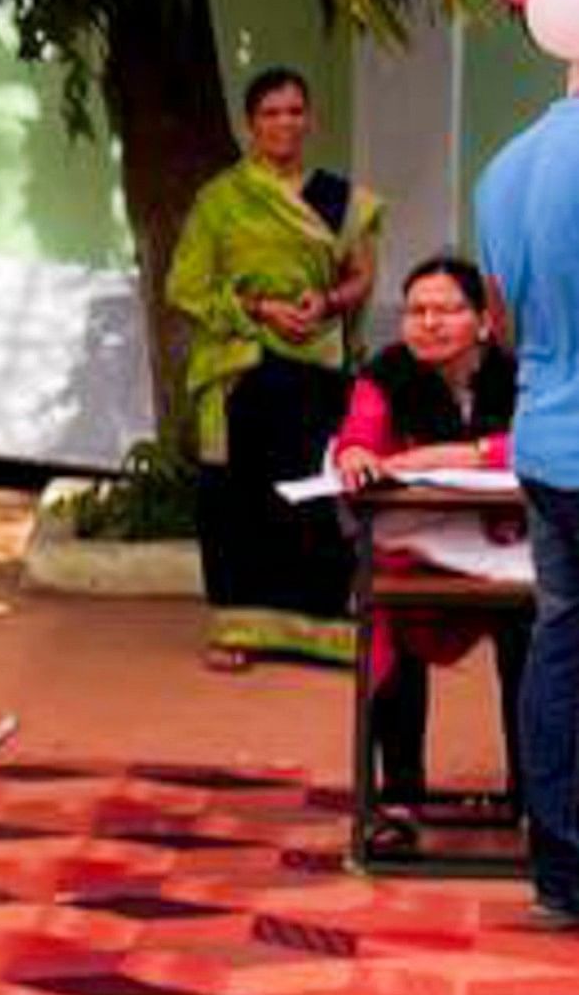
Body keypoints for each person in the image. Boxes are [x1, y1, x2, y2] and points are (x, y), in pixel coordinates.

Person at [167, 66, 381, 671]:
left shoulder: (339, 198)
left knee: (313, 495)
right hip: (241, 365)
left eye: (295, 111)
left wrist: (329, 302)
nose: (284, 122)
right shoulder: (220, 200)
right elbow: (185, 286)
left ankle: (322, 630)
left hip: (316, 363)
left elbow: (360, 273)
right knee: (236, 499)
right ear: (250, 124)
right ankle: (236, 628)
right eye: (271, 113)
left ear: (310, 119)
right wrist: (259, 308)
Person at [329, 256, 526, 854]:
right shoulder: (383, 374)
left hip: (506, 552)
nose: (429, 323)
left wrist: (449, 457)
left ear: (484, 322)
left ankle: (535, 797)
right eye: (417, 310)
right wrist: (356, 456)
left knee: (536, 637)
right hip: (416, 551)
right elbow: (359, 437)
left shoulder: (520, 374)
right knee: (391, 620)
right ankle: (398, 799)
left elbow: (538, 444)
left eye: (447, 309)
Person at [476, 61, 579, 926]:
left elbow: (500, 320)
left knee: (560, 642)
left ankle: (559, 871)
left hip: (544, 437)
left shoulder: (506, 165)